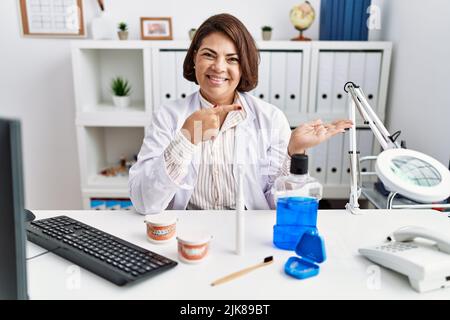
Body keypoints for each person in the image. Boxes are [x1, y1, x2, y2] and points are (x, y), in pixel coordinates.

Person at [129, 13, 352, 214]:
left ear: (243, 66)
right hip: (187, 233)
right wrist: (186, 138)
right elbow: (144, 202)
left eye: (232, 59)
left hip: (246, 230)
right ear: (195, 58)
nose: (218, 67)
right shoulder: (168, 116)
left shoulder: (271, 118)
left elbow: (276, 205)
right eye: (209, 55)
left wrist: (294, 152)